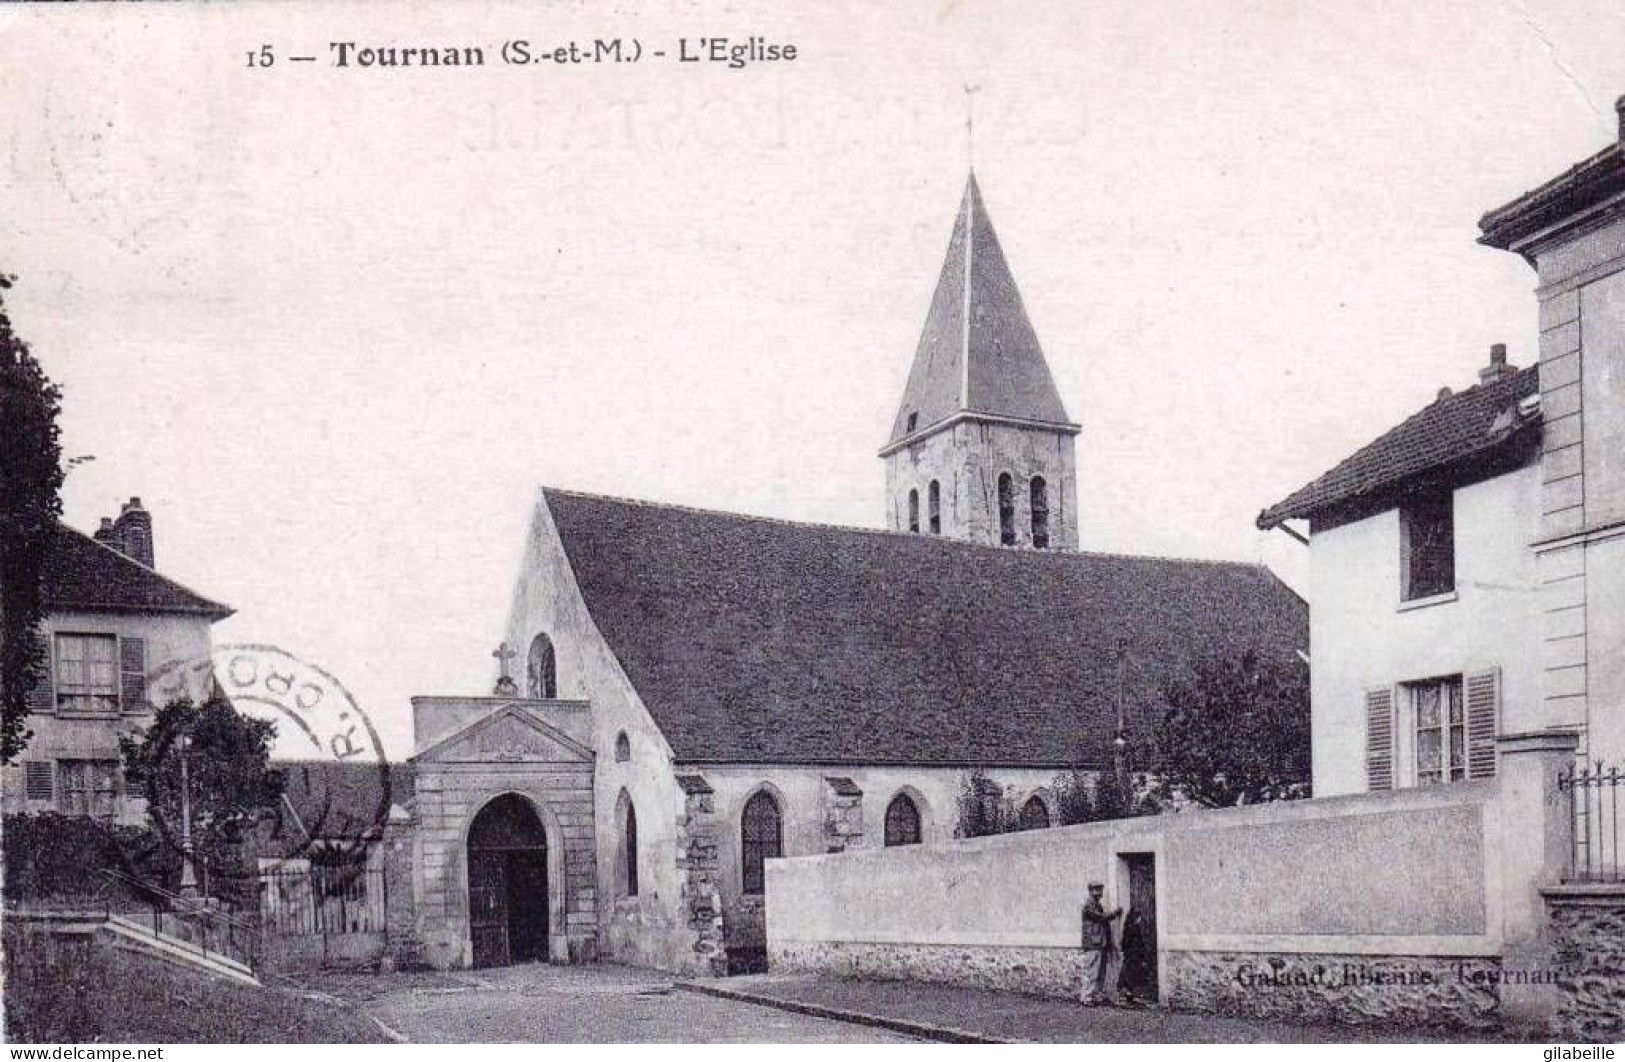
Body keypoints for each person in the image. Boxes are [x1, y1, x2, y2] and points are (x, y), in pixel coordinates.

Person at [1079, 881, 1123, 1005]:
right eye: (1097, 890)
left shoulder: (1096, 904)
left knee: (1099, 972)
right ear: (1091, 891)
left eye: (1100, 890)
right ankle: (1086, 998)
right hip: (1093, 943)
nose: (1100, 893)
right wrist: (1115, 913)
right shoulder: (1089, 905)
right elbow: (1101, 917)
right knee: (1091, 972)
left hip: (1100, 943)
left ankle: (1094, 996)